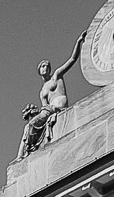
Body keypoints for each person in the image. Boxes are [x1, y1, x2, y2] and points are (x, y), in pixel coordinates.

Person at [18, 31, 87, 159]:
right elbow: (44, 108)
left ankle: (27, 150)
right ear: (39, 71)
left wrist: (78, 42)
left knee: (32, 124)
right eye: (43, 66)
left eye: (47, 65)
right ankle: (21, 155)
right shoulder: (42, 91)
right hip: (48, 110)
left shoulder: (56, 76)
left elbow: (72, 60)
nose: (46, 67)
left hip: (58, 105)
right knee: (28, 127)